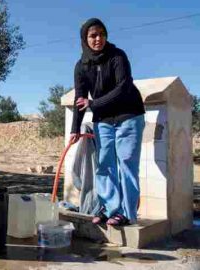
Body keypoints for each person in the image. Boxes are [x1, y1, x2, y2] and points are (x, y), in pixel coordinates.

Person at [70, 18, 145, 226]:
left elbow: (123, 87)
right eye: (93, 35)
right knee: (105, 165)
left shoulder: (118, 56)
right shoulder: (81, 66)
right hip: (103, 120)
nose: (98, 39)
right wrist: (75, 128)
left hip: (129, 115)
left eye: (102, 34)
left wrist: (94, 104)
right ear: (85, 39)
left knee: (127, 164)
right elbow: (80, 98)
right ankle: (109, 208)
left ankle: (127, 213)